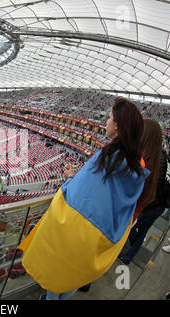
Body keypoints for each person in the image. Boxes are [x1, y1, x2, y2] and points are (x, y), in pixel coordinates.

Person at [18, 97, 149, 300]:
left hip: (78, 235)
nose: (105, 122)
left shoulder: (105, 158)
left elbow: (78, 196)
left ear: (117, 125)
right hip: (98, 244)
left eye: (109, 117)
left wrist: (70, 180)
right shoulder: (137, 171)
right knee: (75, 276)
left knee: (59, 275)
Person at [119, 119, 166, 264]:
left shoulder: (144, 164)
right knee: (140, 233)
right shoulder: (160, 160)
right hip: (146, 211)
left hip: (134, 212)